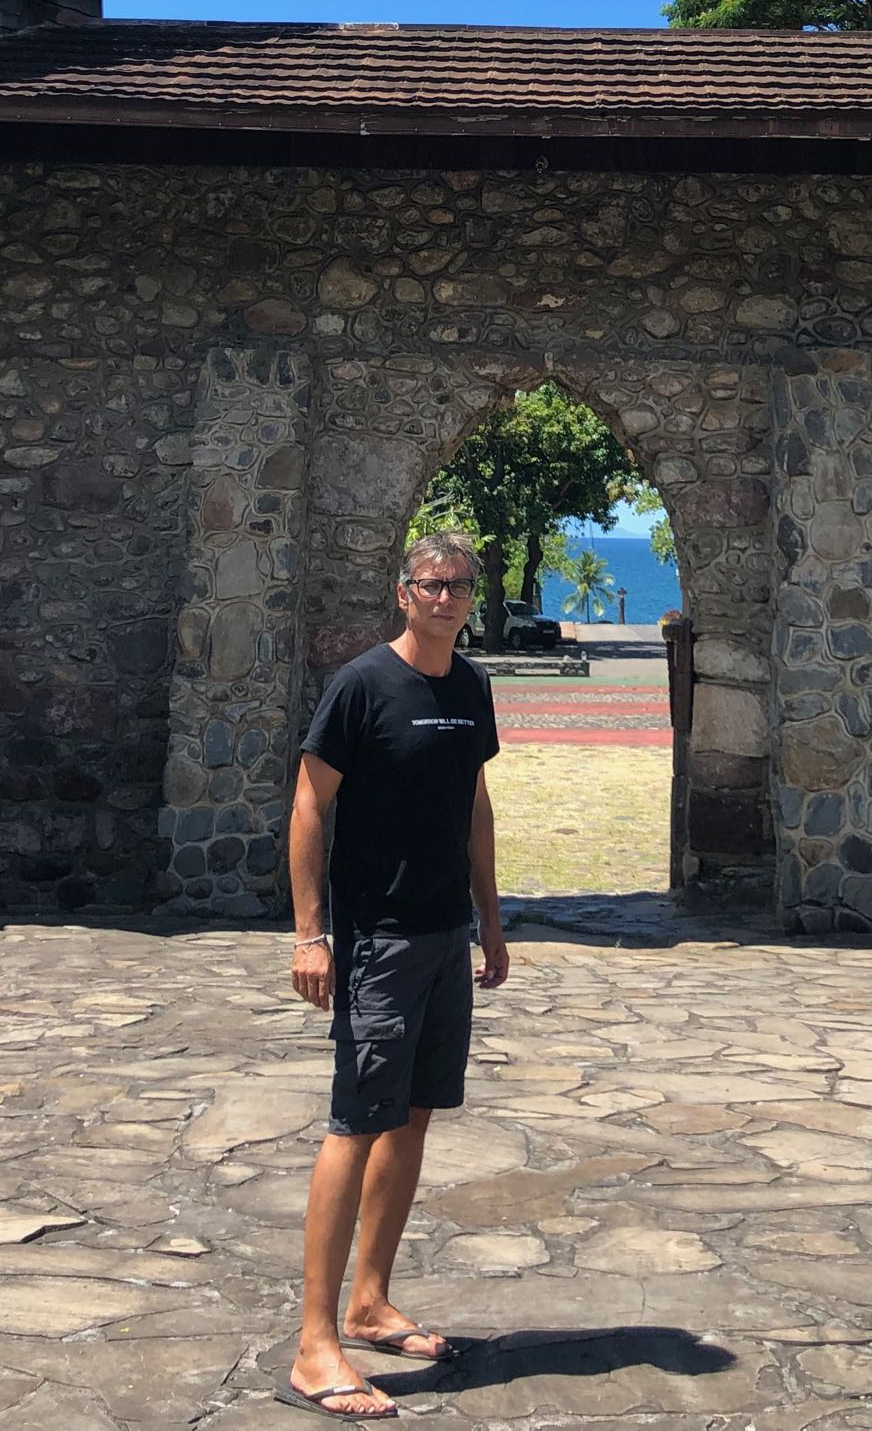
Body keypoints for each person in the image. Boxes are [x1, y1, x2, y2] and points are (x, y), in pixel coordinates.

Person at [281, 532, 509, 1419]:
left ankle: (370, 1303)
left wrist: (488, 921)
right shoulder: (362, 685)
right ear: (403, 593)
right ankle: (313, 1346)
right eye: (432, 584)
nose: (447, 597)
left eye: (459, 585)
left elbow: (474, 804)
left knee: (413, 1115)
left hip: (443, 935)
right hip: (373, 940)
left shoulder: (473, 687)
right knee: (355, 1122)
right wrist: (311, 935)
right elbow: (308, 802)